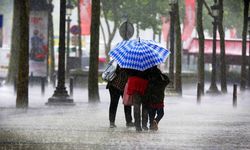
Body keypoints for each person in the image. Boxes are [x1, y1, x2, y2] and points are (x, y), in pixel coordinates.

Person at [143, 67, 170, 131]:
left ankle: (151, 126)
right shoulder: (161, 82)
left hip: (151, 100)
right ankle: (156, 121)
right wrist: (162, 74)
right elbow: (168, 80)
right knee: (161, 113)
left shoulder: (149, 80)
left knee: (151, 115)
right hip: (159, 100)